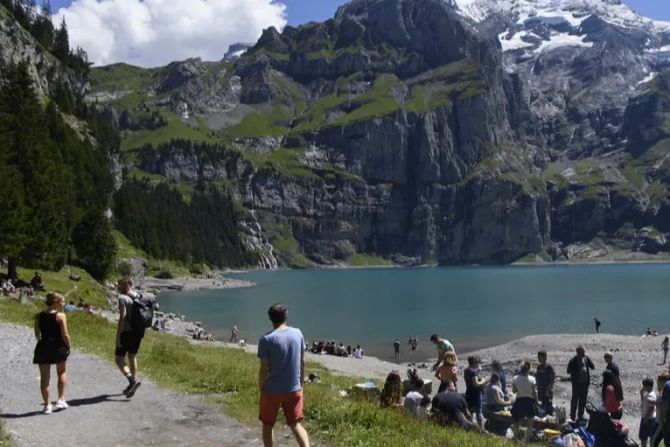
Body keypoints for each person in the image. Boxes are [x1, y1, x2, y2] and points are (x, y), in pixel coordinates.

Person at [257, 304, 309, 447]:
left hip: (272, 390)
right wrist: (301, 385)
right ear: (286, 316)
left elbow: (263, 369)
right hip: (293, 388)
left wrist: (261, 386)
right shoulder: (298, 333)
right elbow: (302, 362)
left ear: (270, 318)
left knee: (268, 426)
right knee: (295, 424)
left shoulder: (266, 340)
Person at [115, 278, 157, 398]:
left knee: (119, 359)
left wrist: (118, 335)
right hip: (138, 331)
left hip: (127, 332)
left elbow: (122, 316)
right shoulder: (141, 296)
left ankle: (131, 381)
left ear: (126, 285)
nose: (119, 288)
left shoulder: (122, 298)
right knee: (132, 356)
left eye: (120, 285)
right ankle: (132, 382)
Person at [33, 292, 71, 414]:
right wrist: (69, 346)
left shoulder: (39, 316)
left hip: (43, 346)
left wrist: (43, 340)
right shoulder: (61, 316)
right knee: (61, 371)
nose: (64, 304)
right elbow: (65, 334)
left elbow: (37, 334)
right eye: (62, 301)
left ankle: (47, 405)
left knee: (44, 377)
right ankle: (60, 399)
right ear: (56, 302)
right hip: (58, 346)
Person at [567, 345, 595, 421]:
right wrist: (578, 371)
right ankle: (572, 416)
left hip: (585, 383)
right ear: (578, 352)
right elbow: (568, 371)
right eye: (582, 351)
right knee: (575, 399)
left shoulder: (586, 358)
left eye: (584, 351)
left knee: (583, 400)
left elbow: (593, 367)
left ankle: (580, 415)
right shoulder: (573, 360)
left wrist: (589, 359)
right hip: (576, 383)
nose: (584, 353)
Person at [512, 361, 538, 441]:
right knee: (530, 421)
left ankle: (515, 437)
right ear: (529, 369)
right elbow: (534, 392)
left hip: (519, 400)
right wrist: (537, 401)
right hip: (529, 401)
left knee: (516, 420)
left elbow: (514, 391)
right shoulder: (532, 379)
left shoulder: (515, 378)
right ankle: (527, 438)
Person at [464, 356, 488, 429]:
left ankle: (469, 426)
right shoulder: (473, 372)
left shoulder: (466, 370)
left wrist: (478, 371)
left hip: (468, 392)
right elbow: (476, 384)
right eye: (477, 362)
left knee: (470, 410)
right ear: (474, 362)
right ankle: (481, 429)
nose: (478, 364)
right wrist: (483, 380)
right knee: (479, 411)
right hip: (476, 393)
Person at [651, 373, 670, 447]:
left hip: (660, 422)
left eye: (659, 383)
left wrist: (655, 403)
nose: (657, 385)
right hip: (658, 420)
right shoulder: (663, 392)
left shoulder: (665, 393)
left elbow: (665, 406)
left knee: (653, 442)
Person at [536, 350, 555, 416]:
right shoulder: (538, 367)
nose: (538, 359)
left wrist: (548, 389)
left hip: (547, 391)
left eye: (539, 357)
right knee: (541, 406)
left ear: (545, 357)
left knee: (548, 407)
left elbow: (552, 380)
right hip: (540, 390)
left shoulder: (549, 367)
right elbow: (537, 377)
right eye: (538, 357)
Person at [640, 378, 658, 447]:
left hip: (648, 419)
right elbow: (643, 400)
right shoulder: (648, 393)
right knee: (644, 436)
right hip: (647, 418)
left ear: (648, 386)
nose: (643, 387)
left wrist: (646, 418)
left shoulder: (651, 395)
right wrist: (641, 393)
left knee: (643, 436)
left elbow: (652, 407)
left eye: (644, 385)